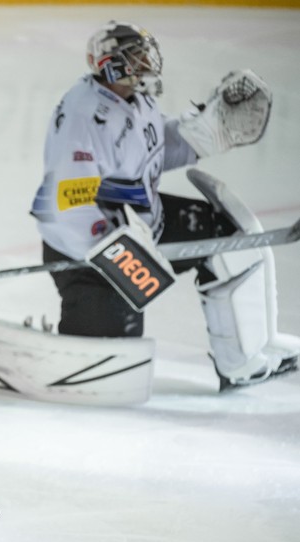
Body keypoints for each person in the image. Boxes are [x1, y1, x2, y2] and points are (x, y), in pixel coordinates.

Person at [28, 20, 298, 388]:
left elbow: (154, 148)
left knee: (229, 240)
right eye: (137, 57)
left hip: (142, 226)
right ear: (112, 61)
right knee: (111, 364)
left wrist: (206, 132)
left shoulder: (135, 101)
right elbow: (68, 207)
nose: (146, 63)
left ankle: (242, 363)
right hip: (92, 258)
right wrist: (120, 255)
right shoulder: (83, 117)